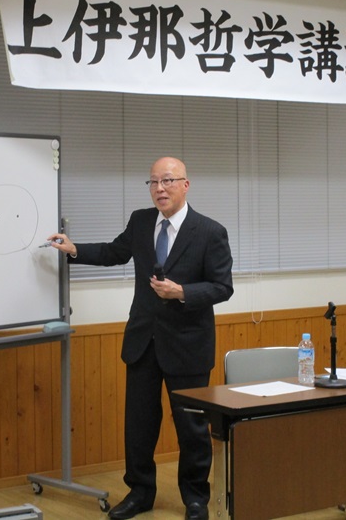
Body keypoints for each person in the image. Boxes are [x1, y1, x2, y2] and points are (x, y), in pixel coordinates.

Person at [47, 157, 233, 520]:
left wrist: (182, 292)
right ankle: (140, 492)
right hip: (143, 342)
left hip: (187, 346)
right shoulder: (141, 221)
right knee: (139, 427)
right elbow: (114, 252)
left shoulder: (210, 231)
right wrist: (74, 249)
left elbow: (222, 286)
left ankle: (196, 499)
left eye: (167, 181)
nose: (159, 189)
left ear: (185, 185)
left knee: (192, 429)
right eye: (153, 182)